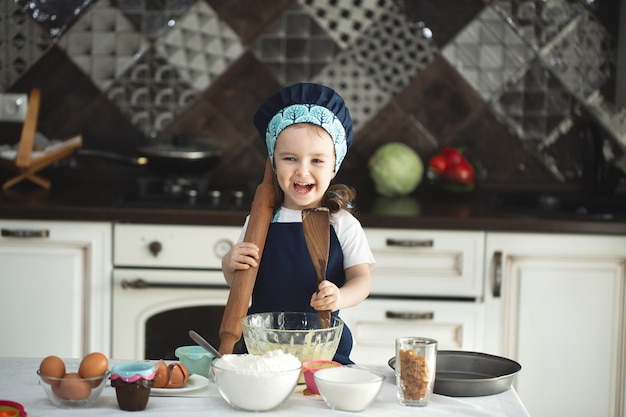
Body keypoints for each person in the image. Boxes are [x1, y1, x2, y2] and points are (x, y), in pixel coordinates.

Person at [221, 82, 375, 365]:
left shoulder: (342, 224)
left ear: (334, 166)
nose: (302, 170)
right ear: (274, 162)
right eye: (290, 158)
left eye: (317, 160)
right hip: (262, 351)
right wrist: (229, 264)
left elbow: (362, 281)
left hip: (324, 350)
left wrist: (339, 297)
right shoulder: (258, 222)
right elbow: (242, 283)